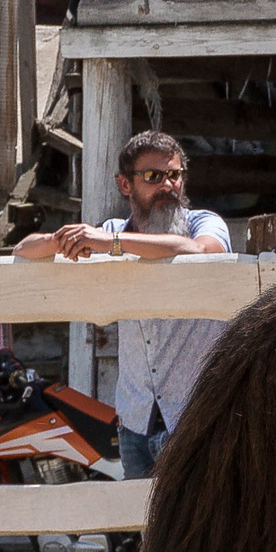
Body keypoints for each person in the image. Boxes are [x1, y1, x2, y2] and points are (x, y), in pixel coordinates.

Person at [15, 129, 230, 478]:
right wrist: (64, 240)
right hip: (135, 422)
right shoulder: (112, 231)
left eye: (174, 174)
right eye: (153, 176)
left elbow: (203, 250)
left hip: (197, 418)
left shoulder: (201, 223)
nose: (168, 185)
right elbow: (23, 249)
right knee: (139, 515)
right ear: (125, 184)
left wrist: (111, 242)